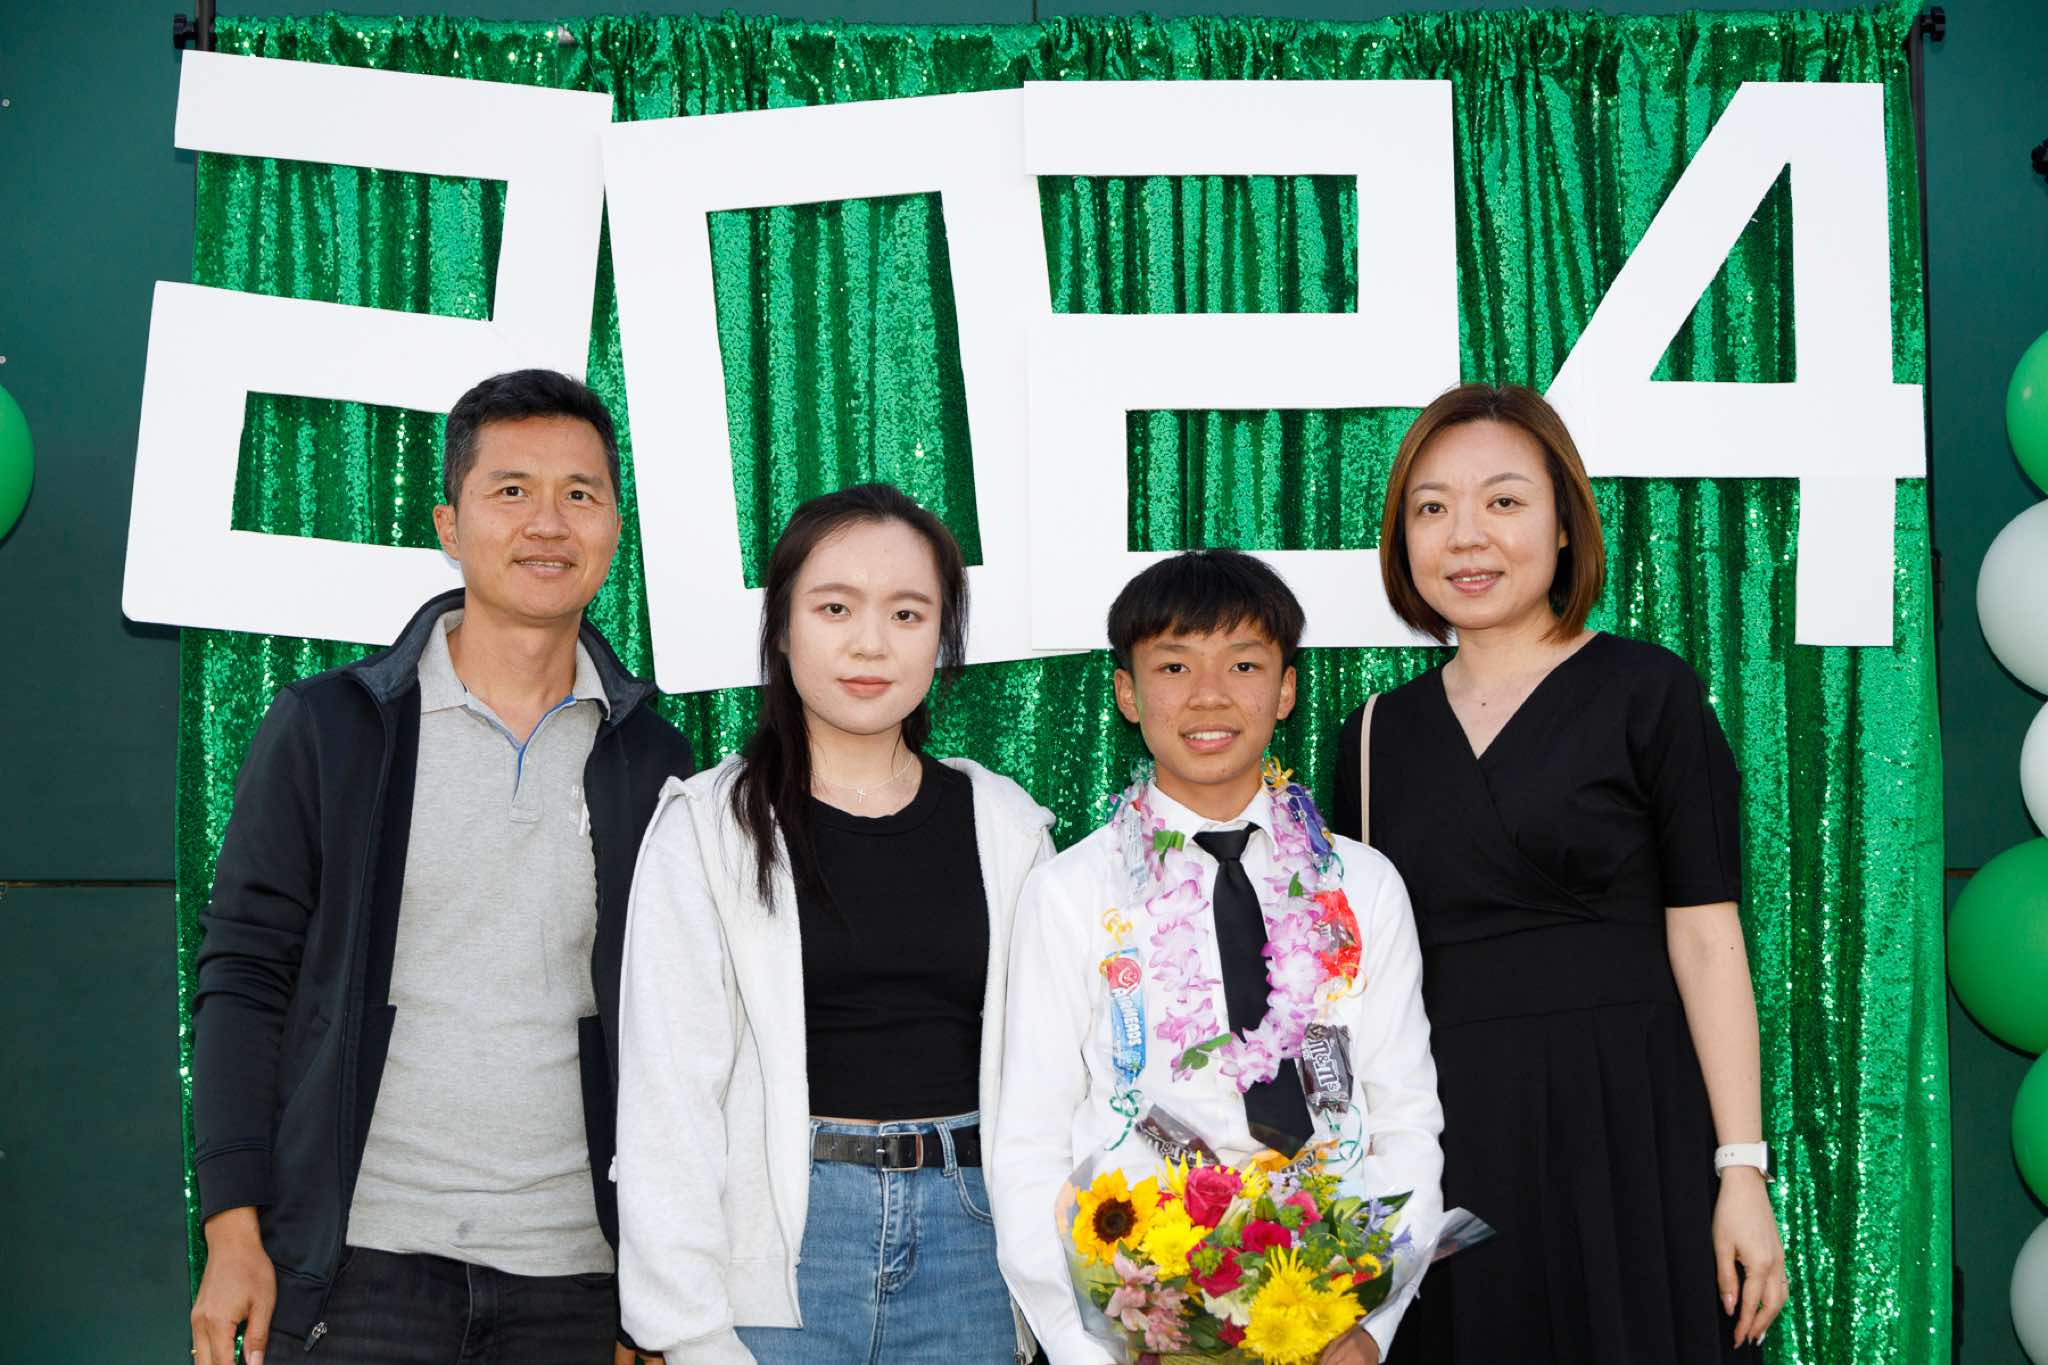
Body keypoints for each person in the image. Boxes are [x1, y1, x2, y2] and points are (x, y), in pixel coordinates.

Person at [187, 369, 693, 1365]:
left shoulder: (654, 760)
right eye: (511, 490)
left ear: (613, 529)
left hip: (578, 1279)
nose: (548, 522)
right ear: (450, 526)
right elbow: (245, 976)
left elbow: (676, 1032)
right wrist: (233, 1228)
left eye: (579, 494)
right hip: (359, 1268)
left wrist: (659, 1279)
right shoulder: (333, 729)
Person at [1331, 382, 1788, 1363]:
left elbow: (1707, 940)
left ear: (1565, 525)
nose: (1466, 536)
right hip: (1450, 1146)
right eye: (1432, 507)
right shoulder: (1369, 737)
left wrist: (1741, 1169)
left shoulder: (1648, 691)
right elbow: (1350, 989)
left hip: (1633, 1125)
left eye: (1503, 501)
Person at [615, 482, 1053, 1364]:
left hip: (972, 1248)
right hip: (778, 1251)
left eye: (907, 613)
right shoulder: (706, 827)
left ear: (943, 636)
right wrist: (685, 1327)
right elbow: (669, 1099)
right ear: (782, 626)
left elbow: (1052, 1080)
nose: (870, 643)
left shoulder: (1006, 826)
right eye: (835, 607)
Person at [993, 548, 1444, 1365]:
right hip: (1141, 1316)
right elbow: (1029, 1142)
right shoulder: (1072, 891)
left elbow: (1406, 1116)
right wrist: (1086, 1347)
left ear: (1286, 688)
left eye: (1243, 664)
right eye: (1174, 666)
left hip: (1329, 1301)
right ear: (1127, 692)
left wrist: (1370, 1326)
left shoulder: (1362, 885)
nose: (1208, 695)